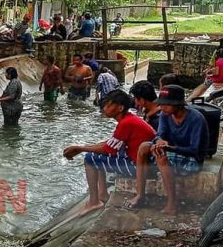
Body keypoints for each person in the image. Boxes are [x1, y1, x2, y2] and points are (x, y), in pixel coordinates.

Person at [64, 89, 156, 217]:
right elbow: (109, 145)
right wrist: (81, 147)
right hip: (143, 161)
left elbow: (108, 149)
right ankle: (102, 193)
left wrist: (80, 149)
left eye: (108, 105)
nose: (104, 107)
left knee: (90, 159)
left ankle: (94, 201)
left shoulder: (126, 123)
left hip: (140, 167)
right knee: (97, 153)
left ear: (120, 108)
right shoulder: (129, 119)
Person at [130, 85, 210, 215]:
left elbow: (194, 150)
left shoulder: (196, 118)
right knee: (144, 146)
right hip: (173, 152)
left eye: (166, 104)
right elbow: (159, 135)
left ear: (178, 105)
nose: (162, 107)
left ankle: (172, 203)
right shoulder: (165, 115)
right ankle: (140, 195)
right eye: (161, 104)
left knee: (162, 158)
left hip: (192, 159)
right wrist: (159, 142)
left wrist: (170, 148)